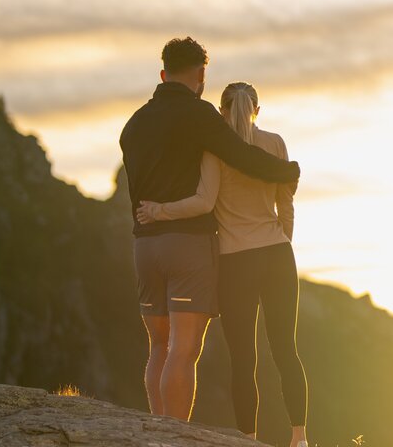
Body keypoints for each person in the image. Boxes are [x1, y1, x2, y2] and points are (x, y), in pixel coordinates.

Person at [119, 38, 300, 422]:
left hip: (144, 245)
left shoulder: (132, 125)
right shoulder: (199, 115)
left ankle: (156, 428)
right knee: (184, 349)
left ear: (163, 74)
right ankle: (176, 434)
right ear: (201, 75)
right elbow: (241, 155)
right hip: (187, 244)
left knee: (158, 346)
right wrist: (288, 171)